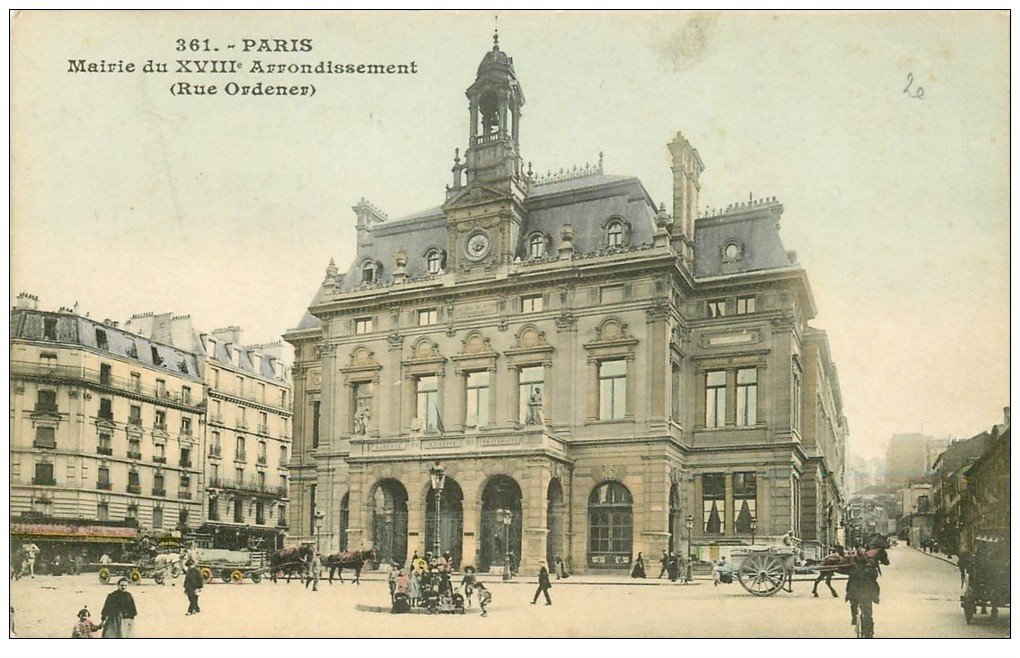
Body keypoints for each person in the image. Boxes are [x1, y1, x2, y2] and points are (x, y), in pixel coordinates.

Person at [846, 553, 881, 638]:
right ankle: (870, 631)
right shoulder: (870, 571)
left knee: (853, 605)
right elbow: (875, 584)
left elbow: (849, 584)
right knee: (868, 614)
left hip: (856, 594)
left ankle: (854, 618)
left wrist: (848, 595)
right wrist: (875, 597)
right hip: (867, 595)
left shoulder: (854, 571)